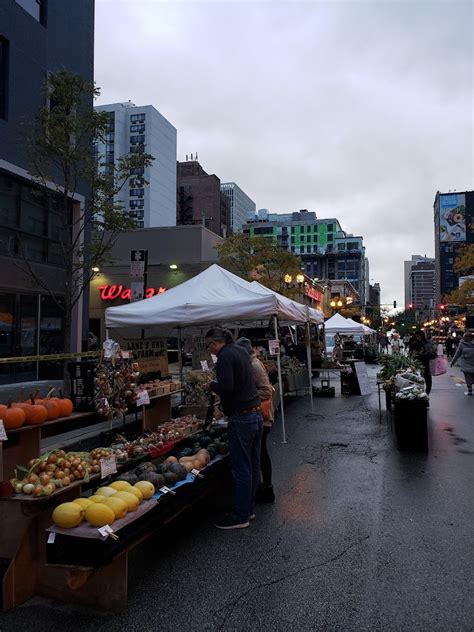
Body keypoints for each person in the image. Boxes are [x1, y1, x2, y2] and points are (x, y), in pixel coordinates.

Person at [205, 328, 263, 529]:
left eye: (209, 345)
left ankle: (240, 516)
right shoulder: (240, 351)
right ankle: (248, 508)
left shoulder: (225, 357)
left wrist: (211, 384)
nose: (209, 349)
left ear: (215, 342)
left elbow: (227, 387)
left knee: (241, 466)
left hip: (242, 417)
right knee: (253, 463)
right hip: (255, 414)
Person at [236, 337, 275, 502]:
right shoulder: (252, 363)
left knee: (261, 453)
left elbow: (267, 390)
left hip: (261, 415)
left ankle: (266, 488)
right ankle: (262, 487)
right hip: (260, 414)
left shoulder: (253, 365)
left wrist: (247, 397)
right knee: (259, 453)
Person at [409, 331, 436, 395]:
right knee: (418, 379)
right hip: (416, 363)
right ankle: (419, 392)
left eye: (419, 336)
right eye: (417, 336)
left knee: (428, 379)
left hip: (426, 362)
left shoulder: (427, 343)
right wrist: (414, 354)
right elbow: (411, 353)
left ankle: (427, 393)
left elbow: (432, 353)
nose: (418, 338)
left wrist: (424, 353)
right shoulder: (414, 343)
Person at [451, 331, 474, 396]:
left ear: (470, 337)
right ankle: (469, 389)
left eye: (467, 337)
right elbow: (458, 353)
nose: (465, 338)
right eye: (464, 337)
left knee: (472, 377)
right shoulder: (462, 344)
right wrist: (453, 361)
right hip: (465, 363)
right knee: (467, 376)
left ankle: (470, 384)